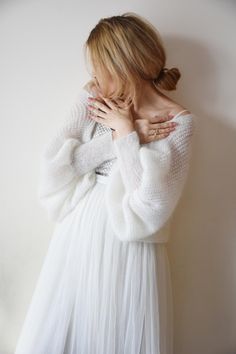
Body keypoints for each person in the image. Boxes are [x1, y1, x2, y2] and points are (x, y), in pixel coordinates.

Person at [14, 12, 195, 354]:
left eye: (99, 67)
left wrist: (127, 135)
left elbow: (150, 207)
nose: (93, 76)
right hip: (79, 232)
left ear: (124, 65)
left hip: (132, 245)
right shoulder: (93, 97)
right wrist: (117, 137)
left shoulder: (180, 124)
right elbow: (57, 169)